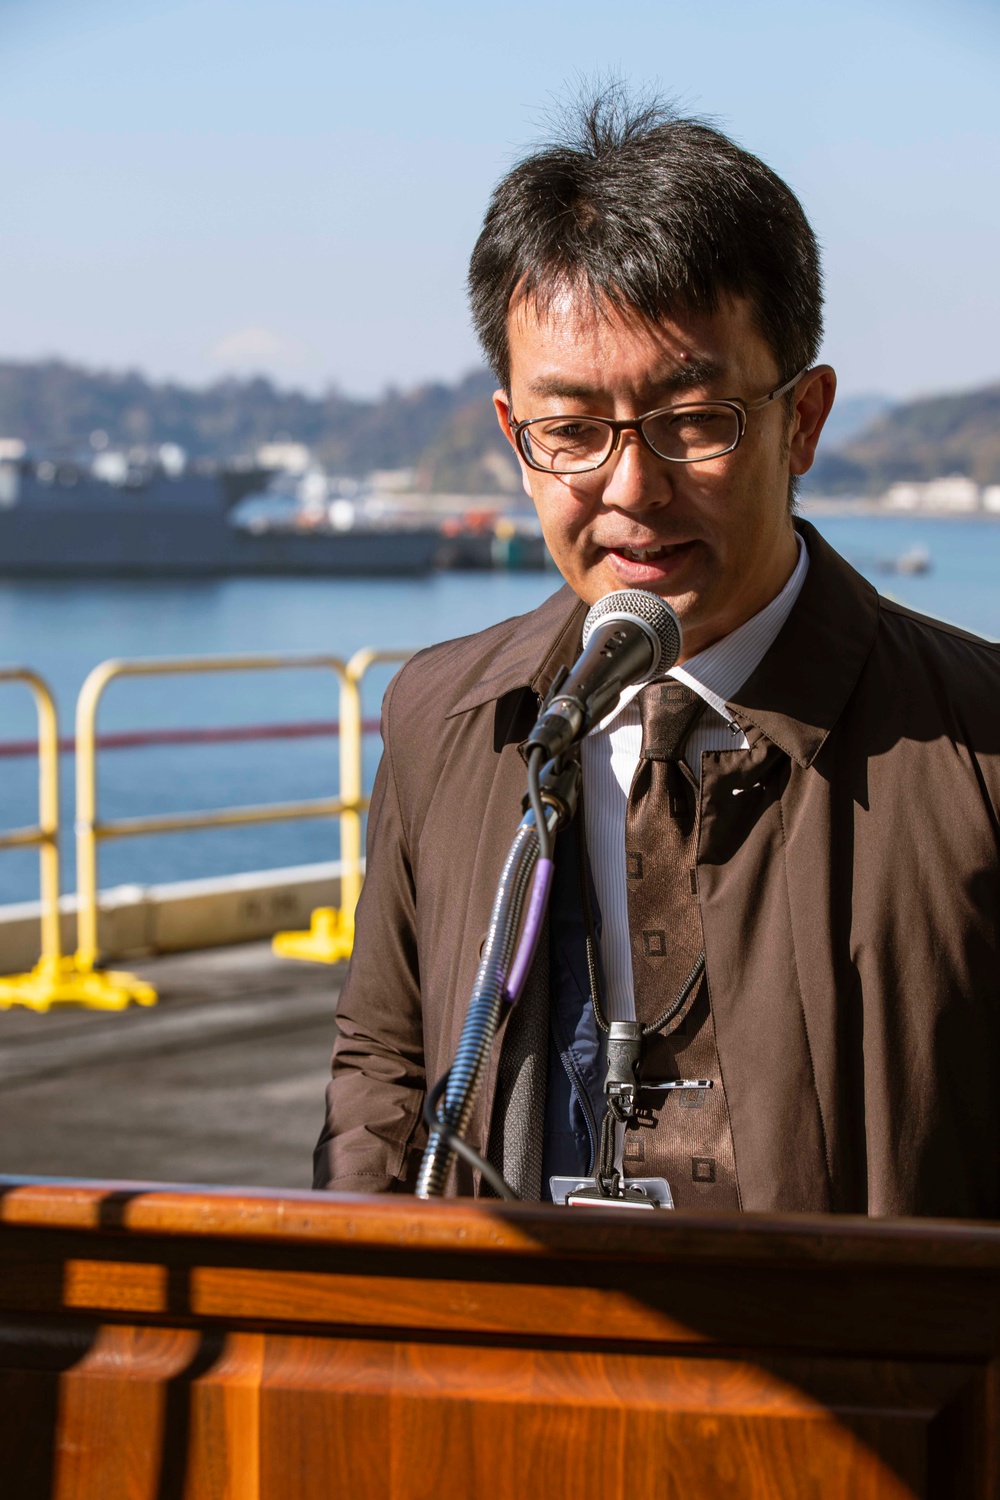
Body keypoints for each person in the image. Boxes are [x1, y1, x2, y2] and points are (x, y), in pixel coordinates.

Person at [314, 90, 1000, 1216]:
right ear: (514, 440)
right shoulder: (443, 718)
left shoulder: (978, 742)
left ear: (804, 419)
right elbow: (381, 1066)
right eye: (572, 431)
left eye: (694, 419)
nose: (630, 490)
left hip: (874, 1385)